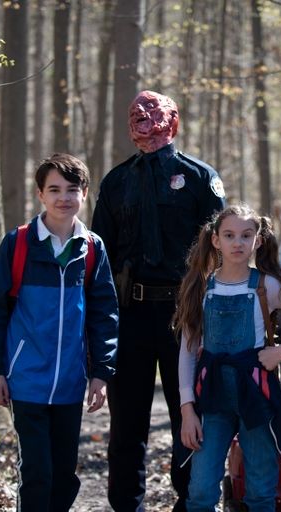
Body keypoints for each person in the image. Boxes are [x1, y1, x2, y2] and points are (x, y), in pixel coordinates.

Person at [91, 90, 226, 512]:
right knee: (126, 423)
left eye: (152, 111)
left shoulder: (201, 177)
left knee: (189, 413)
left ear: (173, 120)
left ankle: (190, 500)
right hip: (129, 315)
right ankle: (126, 505)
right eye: (135, 113)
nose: (143, 118)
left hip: (184, 315)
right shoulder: (116, 181)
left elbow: (222, 252)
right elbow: (101, 257)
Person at [0, 153, 119, 511]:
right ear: (40, 193)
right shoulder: (19, 244)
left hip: (71, 383)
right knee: (37, 470)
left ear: (84, 193)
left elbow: (104, 313)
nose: (63, 198)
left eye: (72, 189)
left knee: (64, 472)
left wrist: (101, 373)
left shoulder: (92, 248)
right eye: (54, 189)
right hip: (25, 381)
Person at [173, 204, 281, 512]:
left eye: (246, 236)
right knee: (200, 490)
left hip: (256, 396)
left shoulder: (266, 286)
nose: (238, 243)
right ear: (215, 240)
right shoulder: (201, 287)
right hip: (211, 399)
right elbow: (187, 350)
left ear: (258, 241)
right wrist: (187, 410)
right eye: (230, 235)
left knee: (261, 488)